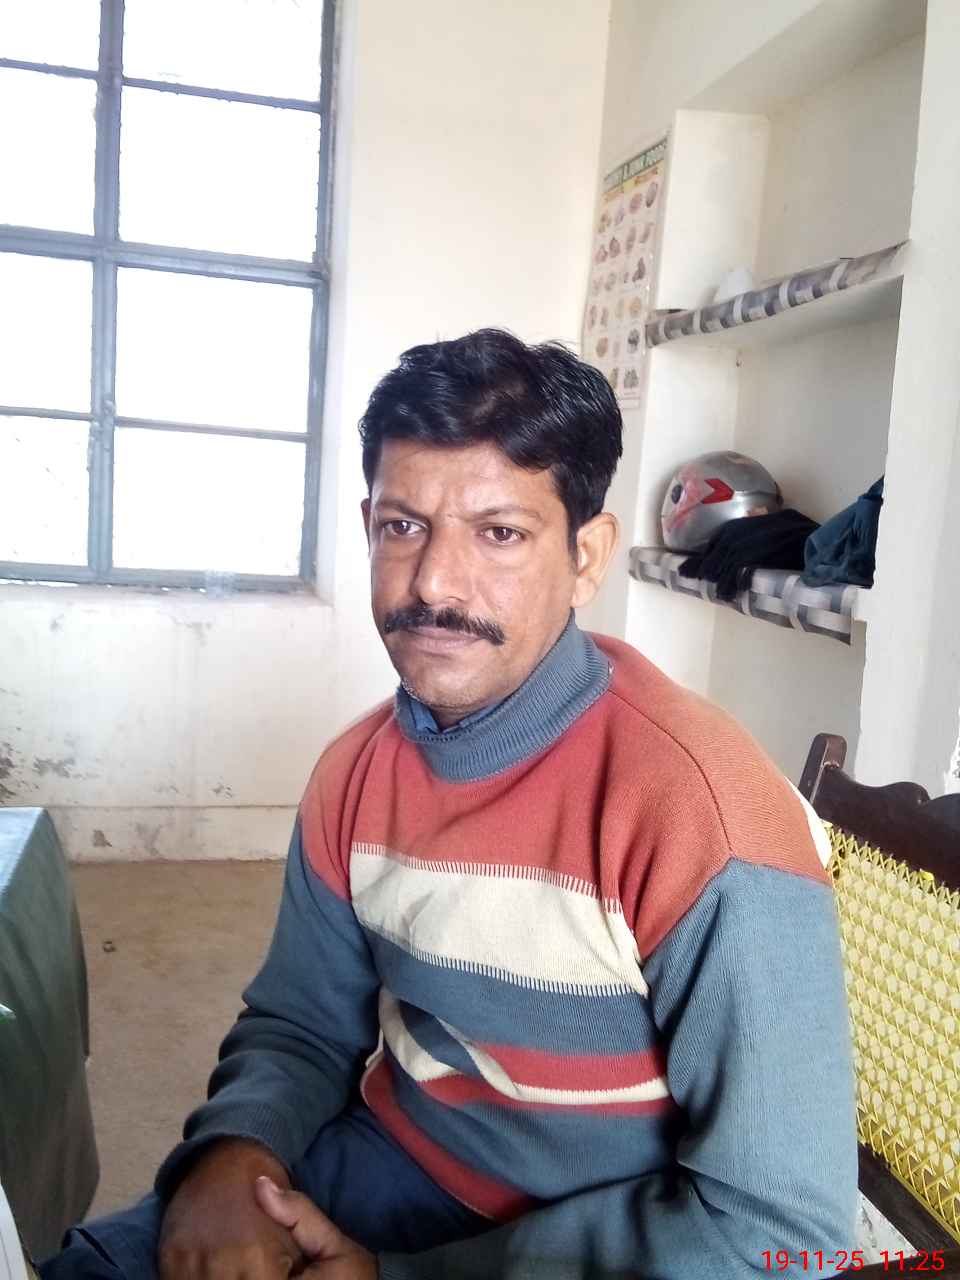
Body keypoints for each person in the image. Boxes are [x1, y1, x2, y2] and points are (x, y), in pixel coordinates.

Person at [41, 329, 857, 1279]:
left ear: (587, 557)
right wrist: (233, 1151)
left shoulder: (702, 816)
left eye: (500, 533)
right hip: (395, 1165)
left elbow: (784, 1235)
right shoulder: (355, 774)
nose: (432, 581)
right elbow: (302, 1024)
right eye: (402, 526)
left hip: (604, 1241)